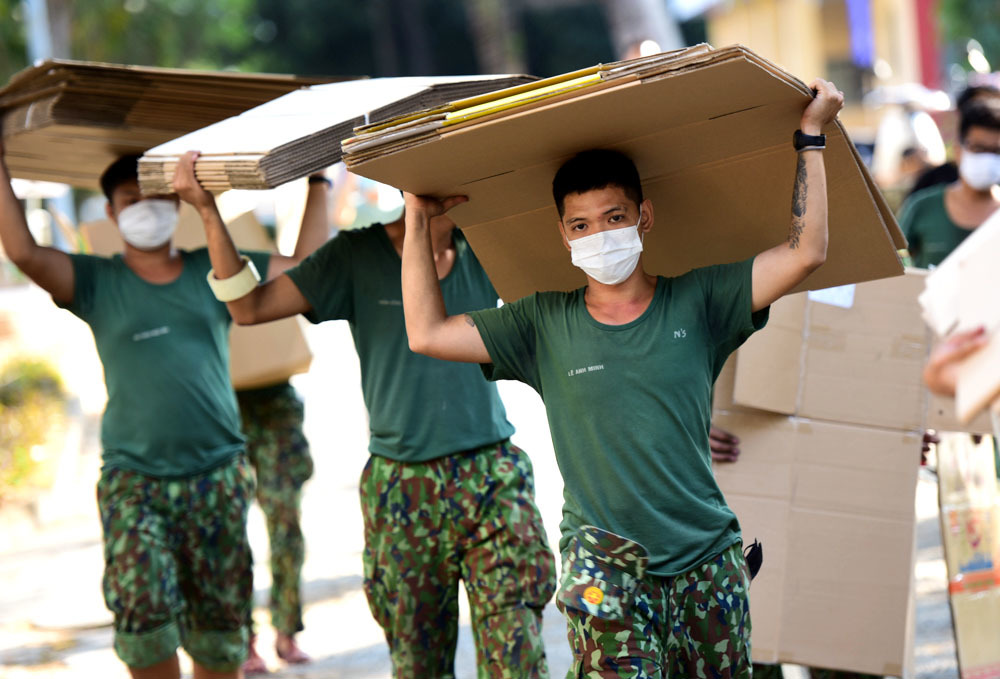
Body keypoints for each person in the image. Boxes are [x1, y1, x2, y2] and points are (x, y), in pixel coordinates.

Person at [399, 79, 843, 677]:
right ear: (563, 234)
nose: (598, 235)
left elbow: (805, 252)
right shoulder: (541, 324)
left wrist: (811, 136)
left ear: (644, 217)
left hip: (704, 559)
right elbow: (425, 332)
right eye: (580, 225)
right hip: (603, 566)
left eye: (613, 217)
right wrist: (417, 221)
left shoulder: (700, 302)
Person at [173, 151, 556, 679]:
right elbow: (248, 307)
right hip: (402, 487)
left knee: (518, 661)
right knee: (418, 663)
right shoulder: (357, 256)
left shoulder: (489, 248)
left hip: (492, 478)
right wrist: (208, 211)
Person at [0, 145, 322, 679]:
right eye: (131, 198)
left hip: (217, 479)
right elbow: (25, 251)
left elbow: (307, 269)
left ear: (177, 203)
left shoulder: (214, 269)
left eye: (156, 196)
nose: (145, 208)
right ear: (111, 211)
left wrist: (318, 185)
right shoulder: (95, 282)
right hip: (136, 483)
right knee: (144, 625)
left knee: (220, 641)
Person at [238, 173, 334, 675]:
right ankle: (242, 640)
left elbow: (305, 264)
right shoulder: (180, 250)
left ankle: (285, 630)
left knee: (284, 521)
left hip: (273, 399)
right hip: (216, 407)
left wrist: (318, 183)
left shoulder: (246, 233)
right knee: (228, 529)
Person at [900, 96, 1000, 268]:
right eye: (979, 148)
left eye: (996, 150)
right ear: (958, 150)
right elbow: (894, 268)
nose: (988, 158)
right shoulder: (922, 208)